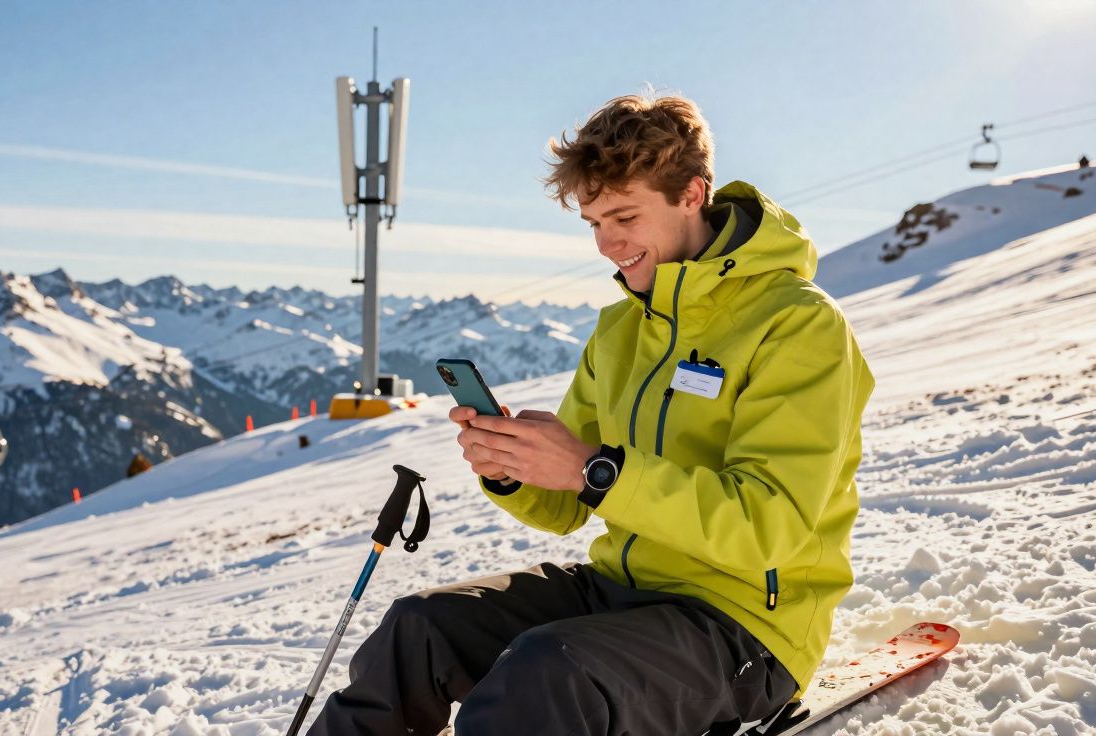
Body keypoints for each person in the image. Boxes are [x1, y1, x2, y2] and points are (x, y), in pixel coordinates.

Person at [308, 92, 875, 735]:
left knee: (546, 672)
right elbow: (564, 505)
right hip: (619, 593)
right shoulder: (622, 328)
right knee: (420, 628)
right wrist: (513, 466)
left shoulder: (796, 325)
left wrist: (596, 471)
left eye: (625, 217)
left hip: (743, 627)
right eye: (594, 223)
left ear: (693, 194)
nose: (608, 244)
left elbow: (771, 525)